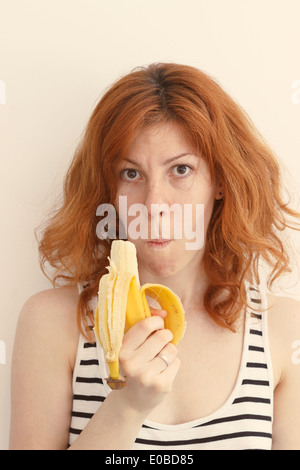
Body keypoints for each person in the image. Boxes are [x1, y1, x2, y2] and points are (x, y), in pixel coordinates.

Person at [9, 63, 300, 450]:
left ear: (220, 182)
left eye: (181, 169)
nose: (154, 205)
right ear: (108, 189)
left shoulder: (284, 331)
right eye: (131, 174)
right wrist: (127, 406)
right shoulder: (52, 323)